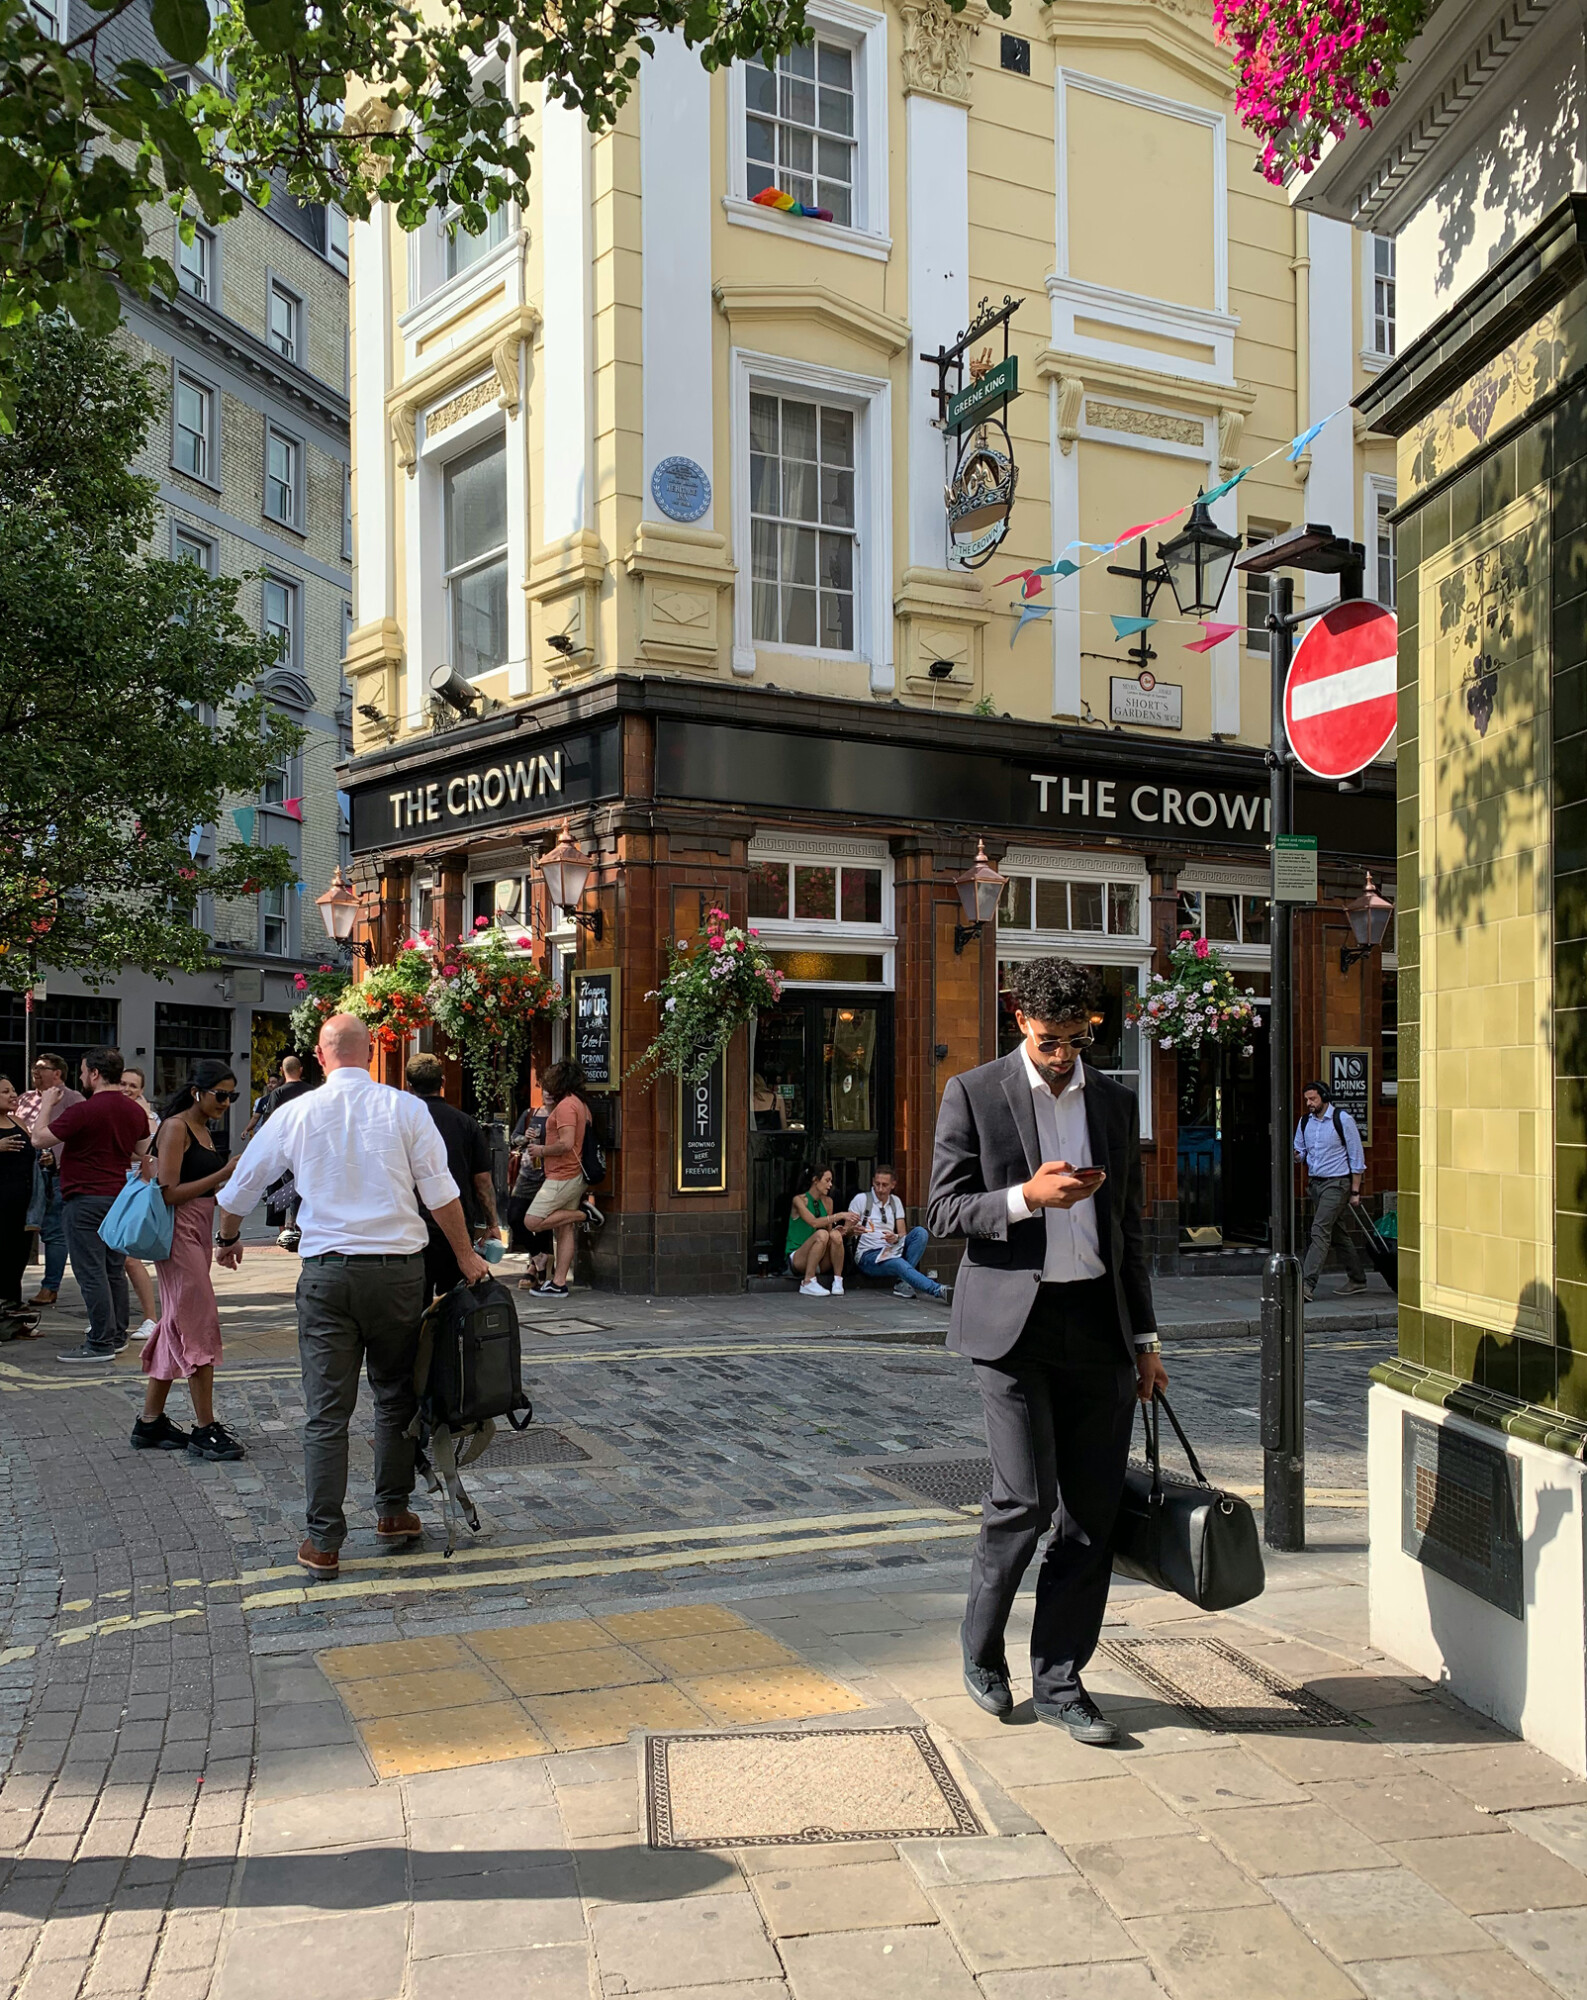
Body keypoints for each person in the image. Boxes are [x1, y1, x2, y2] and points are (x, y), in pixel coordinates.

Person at [928, 957, 1166, 1748]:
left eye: (1074, 1039)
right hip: (1012, 1330)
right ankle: (980, 1648)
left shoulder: (1115, 1100)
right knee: (1024, 1501)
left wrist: (1146, 1342)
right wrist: (1025, 1197)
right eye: (1046, 1040)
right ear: (1016, 1018)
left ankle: (1062, 1680)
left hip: (1097, 1327)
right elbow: (943, 1210)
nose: (1061, 1055)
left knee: (1090, 1516)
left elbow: (1127, 1233)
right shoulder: (972, 1091)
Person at [212, 1014, 489, 1578]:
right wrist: (465, 1256)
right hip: (398, 1276)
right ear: (372, 1052)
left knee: (326, 1412)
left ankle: (323, 1542)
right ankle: (392, 1512)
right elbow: (441, 1193)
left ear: (320, 1053)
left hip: (327, 1276)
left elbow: (240, 1186)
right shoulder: (406, 1108)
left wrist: (229, 1238)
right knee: (394, 1398)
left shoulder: (295, 1111)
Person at [135, 1062, 242, 1459]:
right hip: (178, 1235)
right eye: (221, 1095)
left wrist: (228, 1235)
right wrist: (223, 1173)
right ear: (198, 1091)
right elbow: (168, 1192)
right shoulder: (177, 1126)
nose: (227, 1103)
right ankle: (204, 1428)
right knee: (198, 1323)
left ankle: (150, 1422)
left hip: (196, 1233)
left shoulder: (202, 1129)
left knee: (176, 1322)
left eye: (232, 1096)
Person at [31, 1048, 153, 1362]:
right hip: (117, 1197)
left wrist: (46, 1105)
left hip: (84, 1198)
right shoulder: (134, 1111)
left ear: (96, 1074)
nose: (82, 1077)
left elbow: (39, 1139)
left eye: (84, 1071)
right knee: (113, 1268)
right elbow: (142, 1151)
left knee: (91, 1272)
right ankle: (116, 1334)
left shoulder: (85, 1109)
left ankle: (99, 1343)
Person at [404, 1053, 497, 1298]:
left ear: (408, 1086)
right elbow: (483, 1181)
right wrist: (492, 1223)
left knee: (415, 1306)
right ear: (443, 1082)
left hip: (412, 1228)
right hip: (455, 1227)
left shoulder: (401, 1124)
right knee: (455, 1303)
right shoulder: (466, 1123)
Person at [520, 1061, 591, 1298]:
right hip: (569, 1173)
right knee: (563, 1229)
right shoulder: (577, 1104)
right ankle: (559, 1283)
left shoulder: (567, 1106)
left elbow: (566, 1143)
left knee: (532, 1221)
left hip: (563, 1175)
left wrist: (541, 1151)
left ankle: (585, 1213)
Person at [1294, 1079, 1369, 1303]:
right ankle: (1358, 1279)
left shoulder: (1342, 1120)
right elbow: (1301, 1150)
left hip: (1338, 1184)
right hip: (1316, 1184)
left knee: (1319, 1229)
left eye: (1313, 1098)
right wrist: (1297, 1155)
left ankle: (1306, 1285)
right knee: (1337, 1233)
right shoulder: (1305, 1121)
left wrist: (1355, 1191)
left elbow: (1357, 1157)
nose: (1309, 1103)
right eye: (1307, 1099)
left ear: (1324, 1097)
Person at [16, 1053, 79, 1307]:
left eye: (42, 1068)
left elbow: (79, 1135)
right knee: (22, 1228)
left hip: (55, 1174)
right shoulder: (25, 1098)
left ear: (58, 1073)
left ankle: (50, 1287)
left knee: (53, 1231)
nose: (36, 1071)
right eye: (34, 1067)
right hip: (24, 1174)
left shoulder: (73, 1099)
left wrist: (56, 1156)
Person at [847, 1166, 946, 1301]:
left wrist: (895, 1238)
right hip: (868, 1255)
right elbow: (845, 1232)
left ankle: (903, 1282)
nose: (880, 1189)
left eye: (885, 1185)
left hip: (890, 1249)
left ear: (893, 1185)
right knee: (897, 1262)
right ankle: (938, 1290)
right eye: (877, 1184)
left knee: (920, 1233)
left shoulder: (895, 1201)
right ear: (872, 1182)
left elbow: (902, 1234)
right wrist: (853, 1230)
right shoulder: (861, 1199)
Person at [117, 1067, 161, 1344]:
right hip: (116, 1187)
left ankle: (150, 1319)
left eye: (133, 1085)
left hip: (139, 1189)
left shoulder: (149, 1117)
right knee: (114, 1257)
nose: (127, 1089)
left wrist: (145, 1114)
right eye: (122, 1083)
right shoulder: (116, 1113)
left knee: (130, 1258)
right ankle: (111, 1319)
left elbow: (152, 1151)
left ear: (141, 1090)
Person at [0, 1077, 39, 1336]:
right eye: (5, 1091)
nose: (13, 1095)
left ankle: (14, 1320)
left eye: (13, 1090)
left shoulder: (19, 1122)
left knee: (17, 1258)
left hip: (23, 1203)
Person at [507, 1100, 553, 1291]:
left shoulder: (562, 1114)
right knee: (514, 1216)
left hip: (549, 1174)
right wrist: (524, 1138)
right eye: (545, 1090)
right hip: (527, 1174)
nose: (548, 1095)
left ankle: (535, 1269)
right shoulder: (530, 1113)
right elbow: (514, 1138)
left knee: (543, 1222)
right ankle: (538, 1256)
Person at [786, 1164, 848, 1297]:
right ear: (815, 1180)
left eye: (831, 1181)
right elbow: (813, 1222)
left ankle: (838, 1281)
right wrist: (840, 1215)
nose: (830, 1185)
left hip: (820, 1257)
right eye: (827, 1180)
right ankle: (808, 1281)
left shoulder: (828, 1202)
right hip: (799, 1257)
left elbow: (829, 1230)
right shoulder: (799, 1200)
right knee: (821, 1234)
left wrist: (845, 1230)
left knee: (834, 1235)